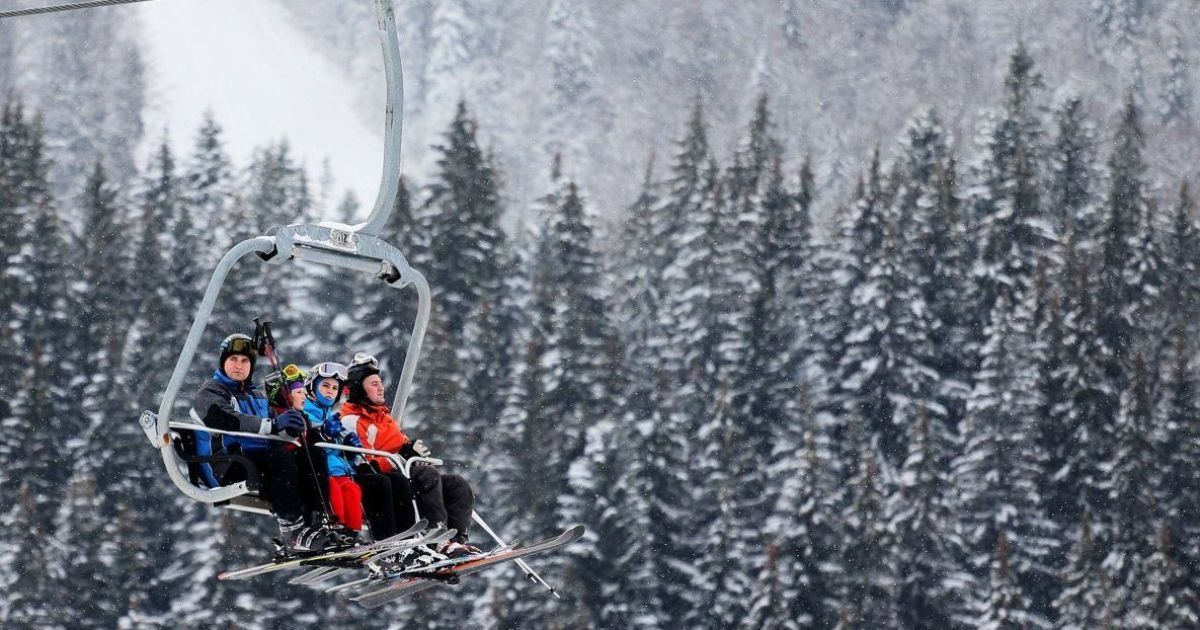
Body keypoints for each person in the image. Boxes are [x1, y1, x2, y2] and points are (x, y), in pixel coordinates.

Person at [191, 333, 331, 554]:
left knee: (311, 455)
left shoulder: (255, 395)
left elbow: (275, 426)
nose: (239, 366)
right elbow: (227, 420)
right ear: (223, 361)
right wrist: (273, 425)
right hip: (226, 463)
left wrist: (290, 428)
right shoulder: (211, 392)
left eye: (245, 361)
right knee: (279, 457)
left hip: (257, 459)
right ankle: (292, 531)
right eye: (233, 359)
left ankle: (315, 523)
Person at [340, 352, 480, 557]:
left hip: (403, 475)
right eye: (373, 384)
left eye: (380, 383)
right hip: (382, 484)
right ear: (358, 388)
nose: (380, 388)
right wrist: (400, 458)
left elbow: (401, 445)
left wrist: (411, 450)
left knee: (456, 484)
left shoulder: (384, 418)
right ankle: (437, 538)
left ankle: (456, 540)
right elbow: (362, 465)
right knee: (427, 475)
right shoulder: (351, 420)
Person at [299, 362, 366, 546]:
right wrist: (324, 433)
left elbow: (336, 447)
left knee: (352, 490)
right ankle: (335, 527)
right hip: (320, 469)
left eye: (335, 388)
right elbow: (309, 439)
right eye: (325, 386)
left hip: (338, 468)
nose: (330, 391)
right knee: (333, 490)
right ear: (312, 387)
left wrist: (349, 448)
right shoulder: (305, 412)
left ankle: (352, 532)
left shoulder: (330, 416)